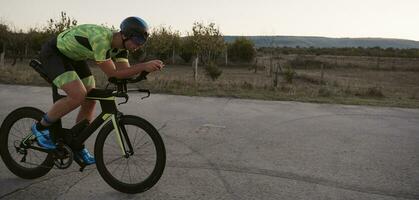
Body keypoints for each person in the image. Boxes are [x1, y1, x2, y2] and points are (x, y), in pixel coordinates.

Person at [31, 16, 164, 165]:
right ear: (125, 35)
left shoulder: (121, 49)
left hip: (75, 57)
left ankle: (76, 143)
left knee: (91, 97)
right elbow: (113, 74)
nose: (139, 46)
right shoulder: (102, 40)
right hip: (55, 53)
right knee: (78, 95)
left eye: (142, 42)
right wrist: (143, 66)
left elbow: (124, 72)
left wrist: (145, 71)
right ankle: (40, 127)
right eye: (138, 41)